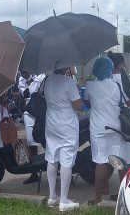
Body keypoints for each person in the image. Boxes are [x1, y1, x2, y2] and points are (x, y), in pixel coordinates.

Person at [84, 57, 123, 204]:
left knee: (100, 161)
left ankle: (97, 198)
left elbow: (87, 103)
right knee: (117, 160)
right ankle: (122, 193)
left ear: (95, 70)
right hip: (115, 127)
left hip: (98, 128)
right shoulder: (116, 85)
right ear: (110, 69)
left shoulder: (89, 85)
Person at [44, 67, 83, 212]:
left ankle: (52, 196)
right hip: (66, 124)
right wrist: (76, 90)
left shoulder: (47, 80)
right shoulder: (68, 82)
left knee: (52, 157)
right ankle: (64, 200)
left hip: (52, 123)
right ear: (66, 66)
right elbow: (78, 105)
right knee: (66, 160)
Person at [18, 70, 46, 184]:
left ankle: (54, 166)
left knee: (46, 139)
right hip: (29, 113)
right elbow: (26, 94)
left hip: (41, 111)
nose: (23, 74)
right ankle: (34, 173)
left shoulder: (41, 77)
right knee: (31, 142)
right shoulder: (21, 80)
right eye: (21, 72)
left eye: (25, 71)